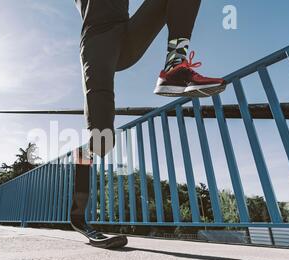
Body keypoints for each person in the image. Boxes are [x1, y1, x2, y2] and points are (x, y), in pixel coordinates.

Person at [70, 0, 225, 247]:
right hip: (96, 45)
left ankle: (175, 65)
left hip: (127, 36)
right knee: (103, 140)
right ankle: (80, 186)